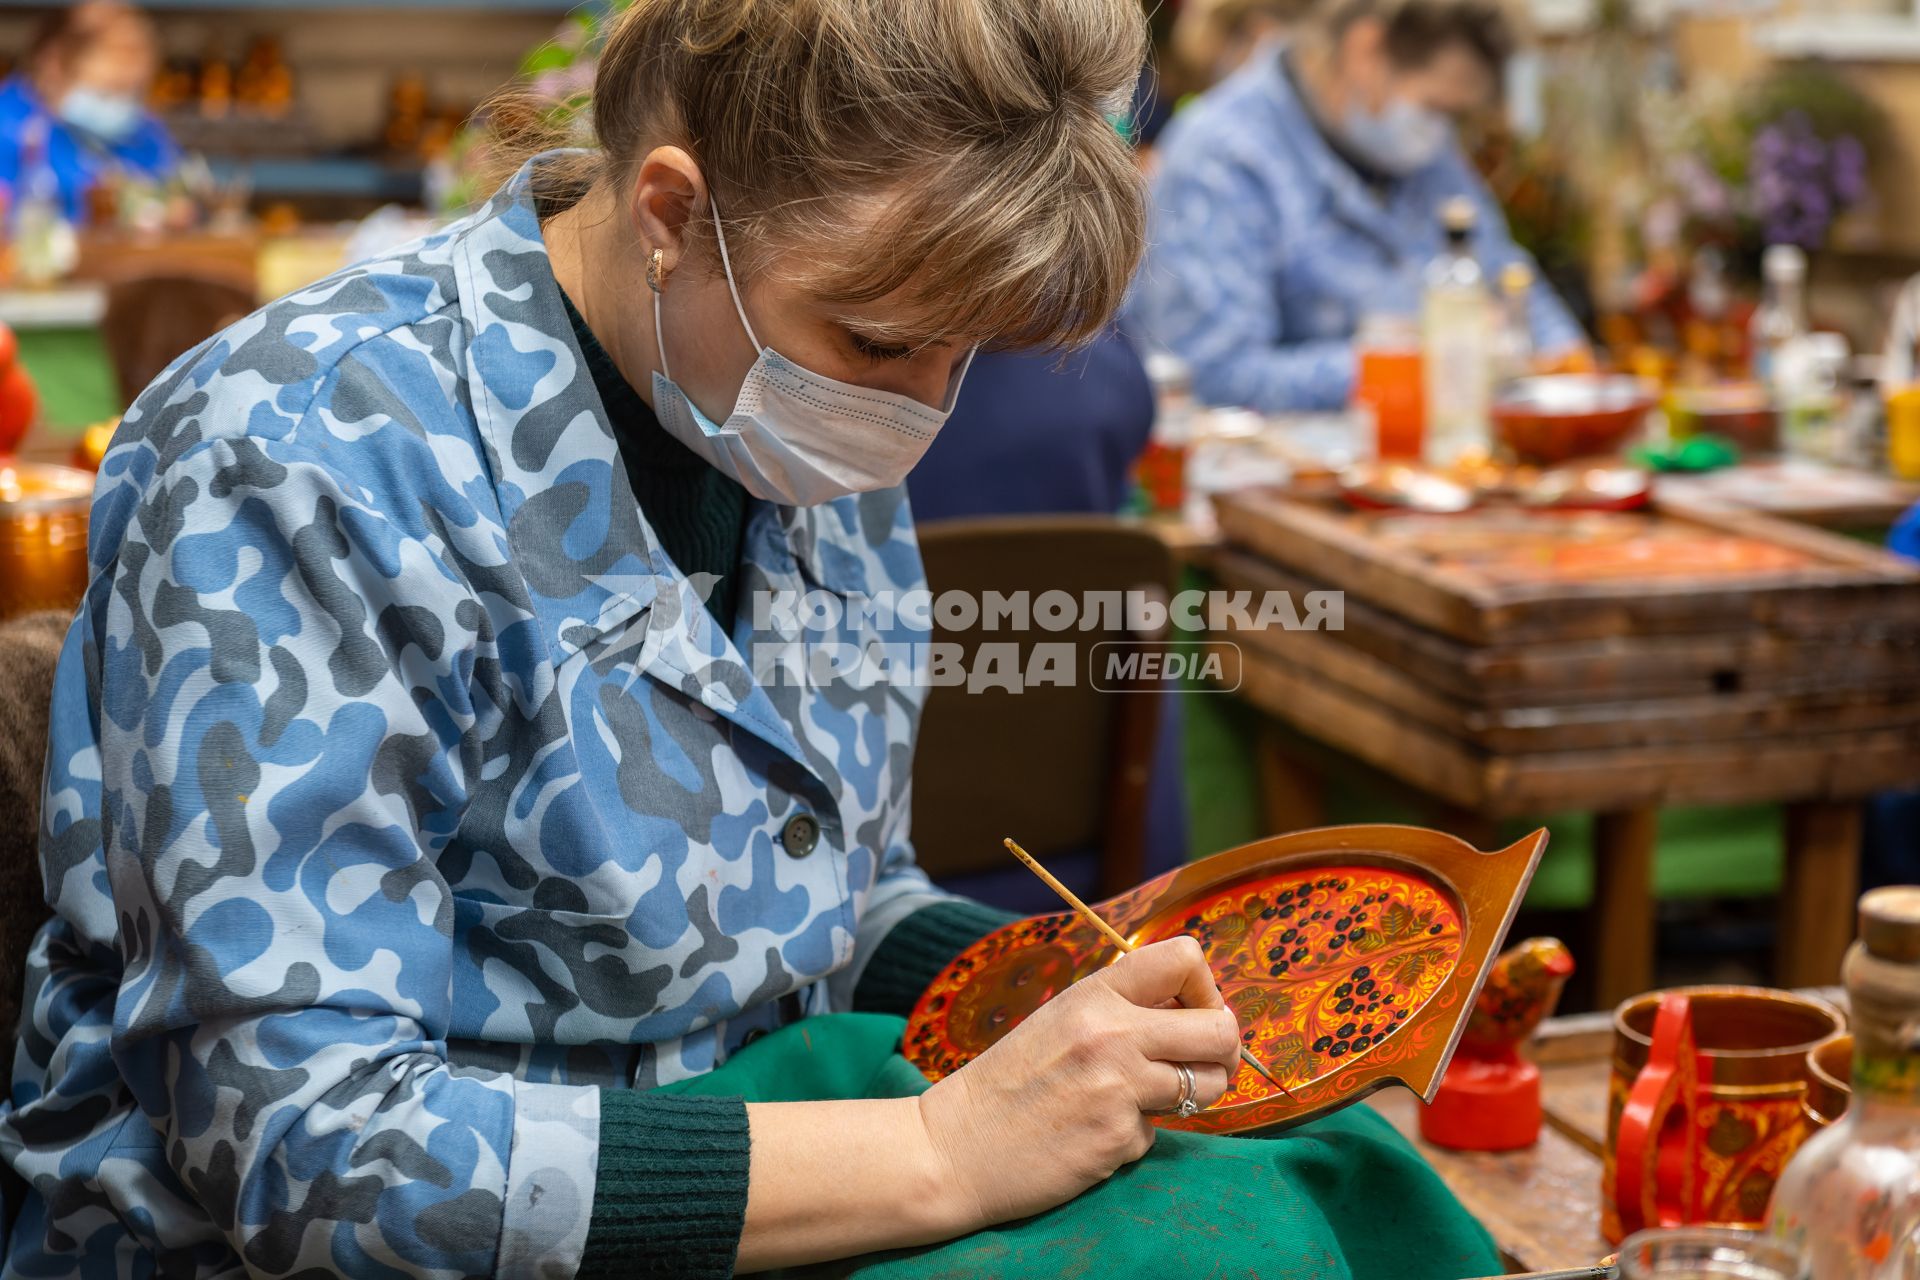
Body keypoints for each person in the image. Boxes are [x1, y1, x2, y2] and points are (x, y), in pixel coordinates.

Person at [2, 2, 1500, 1277]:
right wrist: (933, 1149)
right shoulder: (296, 454)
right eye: (879, 344)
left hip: (769, 1162)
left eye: (966, 352)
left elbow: (825, 903)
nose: (919, 420)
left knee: (1295, 1184)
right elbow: (301, 1143)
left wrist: (1075, 1003)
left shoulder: (787, 421)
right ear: (670, 212)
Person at [1125, 0, 1585, 412]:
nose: (1442, 132)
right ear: (1367, 50)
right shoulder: (1222, 158)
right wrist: (1416, 361)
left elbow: (1512, 283)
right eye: (1436, 108)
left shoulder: (1425, 155)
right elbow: (1212, 374)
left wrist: (1570, 368)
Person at [0, 1, 179, 226]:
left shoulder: (145, 133)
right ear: (54, 66)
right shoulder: (9, 124)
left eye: (133, 93)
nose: (120, 107)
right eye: (108, 92)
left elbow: (170, 187)